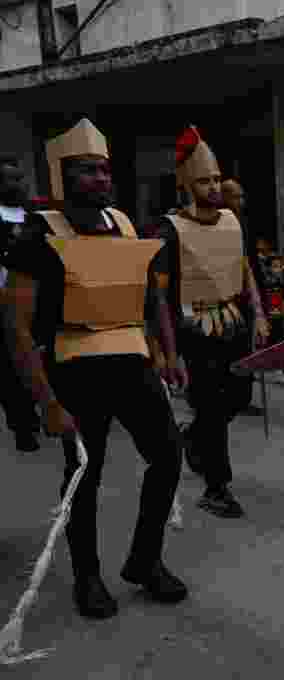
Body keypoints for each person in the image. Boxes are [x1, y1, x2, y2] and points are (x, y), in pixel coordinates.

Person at [3, 119, 188, 619]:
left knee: (169, 455)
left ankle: (145, 561)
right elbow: (16, 326)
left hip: (132, 362)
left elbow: (150, 298)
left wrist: (166, 354)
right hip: (74, 367)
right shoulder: (37, 235)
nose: (101, 180)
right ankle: (87, 576)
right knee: (86, 473)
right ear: (62, 177)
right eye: (87, 171)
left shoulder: (126, 226)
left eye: (105, 170)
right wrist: (46, 401)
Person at [157, 126, 270, 519]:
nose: (214, 186)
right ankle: (216, 487)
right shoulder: (169, 231)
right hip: (194, 330)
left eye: (217, 178)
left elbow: (245, 270)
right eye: (205, 180)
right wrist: (168, 351)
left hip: (234, 322)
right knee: (210, 406)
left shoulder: (231, 221)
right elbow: (158, 297)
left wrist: (258, 312)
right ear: (187, 183)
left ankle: (195, 437)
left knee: (237, 396)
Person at [0, 155, 41, 452]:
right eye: (10, 179)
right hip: (3, 301)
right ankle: (23, 424)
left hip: (36, 300)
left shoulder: (34, 215)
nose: (18, 184)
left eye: (20, 178)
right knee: (10, 368)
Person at [222, 178, 262, 417]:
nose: (241, 201)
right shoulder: (217, 224)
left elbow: (251, 261)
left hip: (247, 292)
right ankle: (228, 393)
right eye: (236, 196)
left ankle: (243, 396)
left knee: (247, 347)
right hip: (226, 295)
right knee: (229, 347)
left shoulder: (243, 223)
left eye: (241, 196)